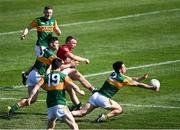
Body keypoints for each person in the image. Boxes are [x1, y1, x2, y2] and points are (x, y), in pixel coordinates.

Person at [71, 61, 160, 122]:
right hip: (103, 99)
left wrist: (142, 78)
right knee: (119, 109)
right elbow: (136, 84)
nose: (126, 67)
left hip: (96, 96)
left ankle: (63, 114)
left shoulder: (114, 74)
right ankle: (103, 117)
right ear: (121, 68)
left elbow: (132, 79)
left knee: (81, 113)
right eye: (124, 66)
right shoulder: (122, 79)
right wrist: (151, 88)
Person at [7, 36, 60, 119]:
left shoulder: (44, 50)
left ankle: (13, 108)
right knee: (54, 91)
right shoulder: (51, 54)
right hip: (38, 75)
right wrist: (71, 64)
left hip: (32, 74)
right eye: (56, 43)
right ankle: (57, 112)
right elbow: (58, 64)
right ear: (51, 44)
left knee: (32, 99)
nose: (58, 45)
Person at [26, 58, 85, 130]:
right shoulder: (63, 76)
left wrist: (30, 97)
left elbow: (36, 87)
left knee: (50, 128)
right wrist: (80, 92)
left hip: (50, 106)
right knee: (74, 126)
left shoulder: (46, 77)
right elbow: (74, 86)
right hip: (60, 104)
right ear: (60, 66)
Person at [21, 5, 61, 85]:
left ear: (52, 13)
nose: (48, 14)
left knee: (41, 62)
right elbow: (28, 28)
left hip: (49, 46)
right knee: (49, 61)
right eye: (47, 12)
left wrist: (58, 32)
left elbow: (57, 30)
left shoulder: (53, 21)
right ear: (44, 12)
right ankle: (48, 80)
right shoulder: (38, 20)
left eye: (50, 13)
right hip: (40, 46)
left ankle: (25, 74)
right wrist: (24, 35)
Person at [57, 36, 95, 111]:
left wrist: (72, 63)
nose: (75, 45)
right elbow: (72, 56)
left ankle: (92, 90)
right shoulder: (63, 48)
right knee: (70, 89)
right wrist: (84, 59)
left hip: (65, 69)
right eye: (73, 43)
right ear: (68, 42)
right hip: (60, 71)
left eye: (76, 43)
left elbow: (70, 59)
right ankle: (77, 105)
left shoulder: (68, 49)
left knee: (77, 75)